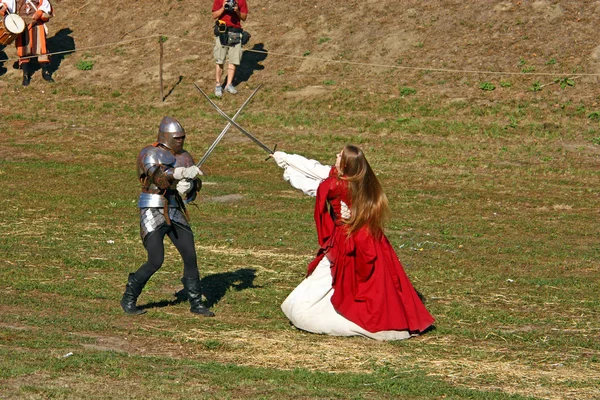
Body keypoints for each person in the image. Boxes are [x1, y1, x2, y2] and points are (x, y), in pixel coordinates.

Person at [271, 145, 435, 340]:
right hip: (369, 238)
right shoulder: (356, 177)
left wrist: (288, 173)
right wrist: (287, 158)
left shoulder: (337, 185)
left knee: (328, 284)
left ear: (347, 164)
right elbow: (316, 169)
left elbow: (313, 187)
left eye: (340, 155)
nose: (336, 155)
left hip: (347, 242)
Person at [120, 116, 215, 317]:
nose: (180, 141)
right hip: (152, 208)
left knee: (190, 255)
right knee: (156, 260)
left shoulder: (185, 156)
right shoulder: (150, 153)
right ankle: (129, 296)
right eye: (177, 137)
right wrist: (179, 173)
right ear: (166, 136)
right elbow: (159, 177)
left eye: (182, 137)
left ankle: (196, 303)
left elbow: (192, 189)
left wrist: (190, 186)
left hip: (175, 207)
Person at [0, 0, 54, 86]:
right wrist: (4, 7)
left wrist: (40, 12)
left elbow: (45, 4)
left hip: (36, 23)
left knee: (41, 47)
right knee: (23, 49)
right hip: (20, 24)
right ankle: (26, 75)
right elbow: (6, 3)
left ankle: (46, 72)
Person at [211, 0, 248, 97]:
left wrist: (237, 11)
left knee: (233, 59)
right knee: (220, 59)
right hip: (222, 30)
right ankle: (218, 85)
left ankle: (229, 84)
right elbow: (214, 15)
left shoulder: (241, 1)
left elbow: (244, 17)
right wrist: (223, 8)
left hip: (235, 31)